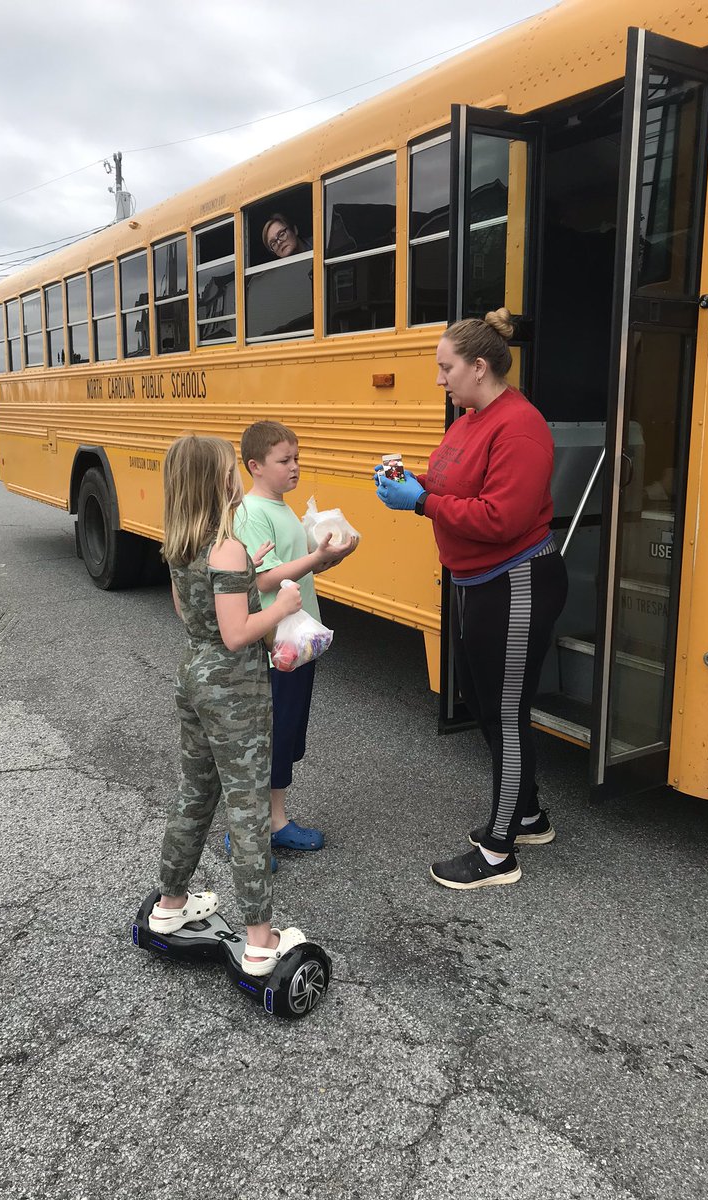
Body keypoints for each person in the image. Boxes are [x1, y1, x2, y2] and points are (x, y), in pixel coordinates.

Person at [375, 308, 568, 891]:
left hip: (516, 581)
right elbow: (455, 484)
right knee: (486, 707)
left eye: (446, 368)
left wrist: (420, 503)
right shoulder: (470, 418)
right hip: (477, 583)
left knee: (505, 714)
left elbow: (501, 518)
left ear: (479, 367)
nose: (440, 379)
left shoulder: (520, 427)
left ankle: (498, 852)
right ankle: (528, 816)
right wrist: (412, 481)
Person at [148, 433, 309, 976]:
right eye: (229, 469)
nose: (237, 476)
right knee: (248, 807)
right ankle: (261, 939)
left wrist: (244, 576)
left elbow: (190, 611)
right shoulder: (226, 546)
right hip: (234, 689)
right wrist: (281, 604)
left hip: (192, 675)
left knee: (195, 793)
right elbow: (237, 634)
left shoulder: (181, 542)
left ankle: (171, 902)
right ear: (218, 480)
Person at [235, 420, 357, 853]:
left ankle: (276, 821)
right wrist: (316, 557)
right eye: (284, 460)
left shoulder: (282, 508)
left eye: (297, 458)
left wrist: (327, 557)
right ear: (255, 466)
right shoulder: (252, 513)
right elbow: (263, 579)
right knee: (269, 736)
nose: (294, 467)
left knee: (286, 735)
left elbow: (294, 566)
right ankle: (246, 831)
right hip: (274, 645)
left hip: (297, 642)